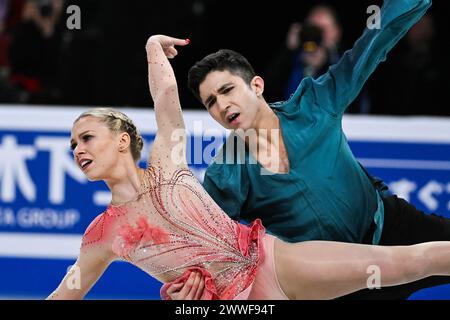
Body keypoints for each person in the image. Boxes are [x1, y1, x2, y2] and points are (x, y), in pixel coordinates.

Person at [47, 33, 450, 301]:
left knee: (405, 262)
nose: (77, 149)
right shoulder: (102, 234)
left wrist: (153, 47)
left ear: (121, 140)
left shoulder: (166, 164)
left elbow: (166, 95)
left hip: (272, 261)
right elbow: (68, 291)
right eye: (72, 145)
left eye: (86, 137)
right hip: (228, 304)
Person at [167, 0, 446, 300]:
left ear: (257, 86)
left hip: (392, 229)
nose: (222, 106)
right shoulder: (226, 173)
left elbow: (371, 45)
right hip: (336, 282)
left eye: (227, 90)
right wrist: (191, 282)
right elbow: (204, 242)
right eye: (211, 102)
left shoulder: (314, 104)